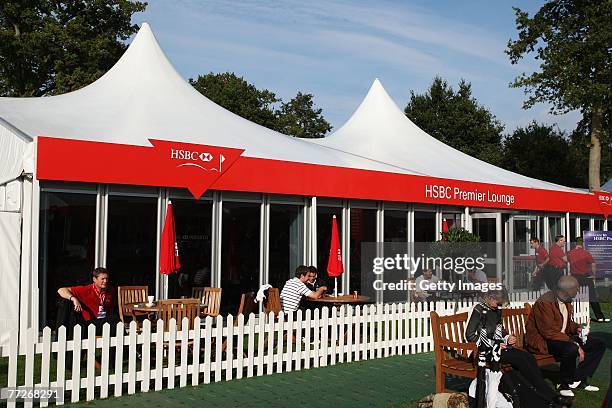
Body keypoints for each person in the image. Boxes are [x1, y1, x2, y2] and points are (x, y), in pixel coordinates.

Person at [465, 290, 561, 407]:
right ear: (489, 298)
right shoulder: (478, 310)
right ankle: (547, 395)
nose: (499, 306)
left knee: (528, 357)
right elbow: (470, 335)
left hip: (498, 349)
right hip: (483, 352)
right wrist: (493, 343)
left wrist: (507, 337)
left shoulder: (496, 310)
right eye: (498, 303)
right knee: (521, 359)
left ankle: (539, 393)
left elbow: (500, 330)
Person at [525, 275, 605, 397]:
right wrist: (575, 344)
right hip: (544, 340)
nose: (578, 291)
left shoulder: (566, 300)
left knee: (598, 344)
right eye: (576, 289)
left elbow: (566, 323)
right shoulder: (545, 302)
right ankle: (563, 383)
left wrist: (577, 328)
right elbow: (548, 332)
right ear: (567, 290)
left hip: (559, 337)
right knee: (571, 348)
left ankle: (578, 379)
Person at [57, 267, 118, 335]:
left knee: (116, 322)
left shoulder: (111, 290)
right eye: (102, 279)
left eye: (107, 279)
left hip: (103, 321)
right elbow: (61, 290)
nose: (105, 281)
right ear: (94, 279)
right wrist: (74, 299)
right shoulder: (86, 290)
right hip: (89, 323)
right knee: (114, 322)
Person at [567, 237, 609, 322]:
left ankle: (570, 315)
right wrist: (593, 275)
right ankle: (600, 317)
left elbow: (568, 264)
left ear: (575, 243)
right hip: (585, 277)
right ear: (582, 243)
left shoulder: (570, 253)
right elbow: (593, 264)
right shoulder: (586, 253)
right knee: (592, 296)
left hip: (574, 277)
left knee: (573, 296)